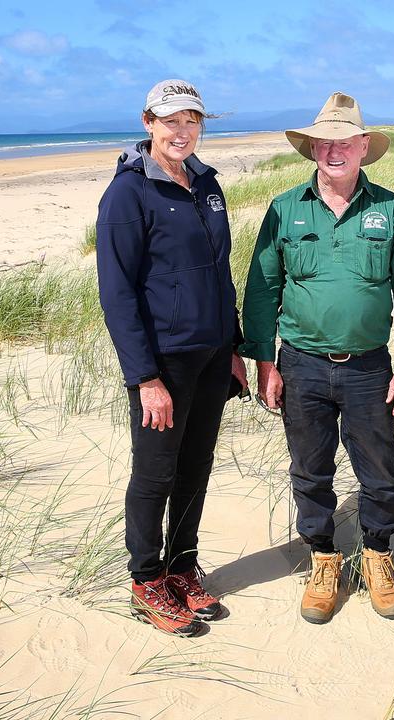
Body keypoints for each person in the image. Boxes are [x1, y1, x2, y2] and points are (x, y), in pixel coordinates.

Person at [239, 92, 394, 624]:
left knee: (380, 470)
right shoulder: (284, 208)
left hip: (371, 365)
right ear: (312, 149)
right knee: (310, 469)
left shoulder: (390, 209)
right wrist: (264, 360)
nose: (335, 150)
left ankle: (377, 556)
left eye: (345, 141)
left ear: (363, 146)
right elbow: (262, 288)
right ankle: (324, 560)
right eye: (325, 141)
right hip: (300, 364)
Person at [96, 79, 248, 637]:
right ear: (148, 123)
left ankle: (183, 566)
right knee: (155, 472)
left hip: (210, 358)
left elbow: (220, 272)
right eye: (171, 120)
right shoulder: (127, 193)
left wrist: (232, 346)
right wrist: (144, 378)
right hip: (162, 362)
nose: (182, 131)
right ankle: (146, 580)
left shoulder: (207, 184)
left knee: (196, 467)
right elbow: (117, 294)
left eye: (192, 121)